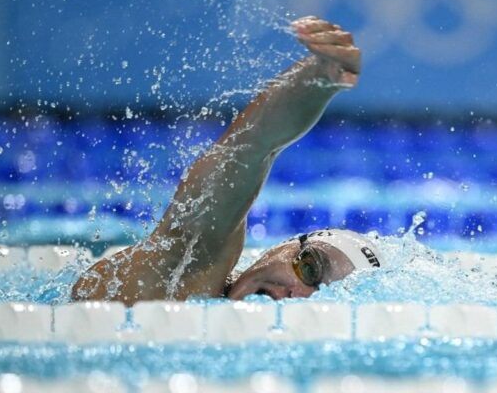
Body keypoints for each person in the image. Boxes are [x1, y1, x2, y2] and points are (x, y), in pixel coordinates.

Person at [72, 16, 384, 306]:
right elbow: (252, 146)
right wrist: (322, 76)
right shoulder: (185, 273)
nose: (298, 295)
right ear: (281, 248)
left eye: (323, 299)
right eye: (310, 268)